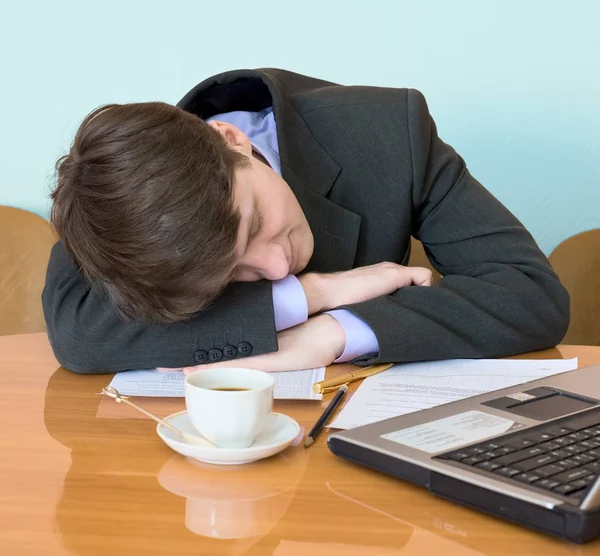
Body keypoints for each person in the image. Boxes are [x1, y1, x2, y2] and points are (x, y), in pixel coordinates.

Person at [43, 68, 569, 375]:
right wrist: (312, 295)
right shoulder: (116, 198)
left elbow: (530, 294)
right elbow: (81, 334)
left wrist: (334, 333)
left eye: (253, 226)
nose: (276, 268)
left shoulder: (388, 134)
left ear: (232, 140)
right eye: (232, 276)